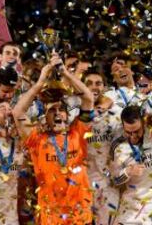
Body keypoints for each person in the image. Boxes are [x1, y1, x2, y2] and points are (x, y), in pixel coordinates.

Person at [13, 53, 94, 224]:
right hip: (50, 217)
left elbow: (88, 98)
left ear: (66, 114)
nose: (57, 113)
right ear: (45, 117)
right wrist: (41, 82)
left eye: (60, 109)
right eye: (51, 110)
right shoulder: (36, 138)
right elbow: (17, 112)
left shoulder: (78, 133)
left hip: (80, 215)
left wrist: (64, 72)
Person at [111, 105, 152, 225]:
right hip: (131, 205)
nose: (133, 136)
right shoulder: (118, 146)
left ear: (144, 123)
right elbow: (114, 180)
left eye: (137, 131)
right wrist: (128, 172)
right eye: (128, 132)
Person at [81, 69, 121, 225]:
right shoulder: (73, 114)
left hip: (108, 186)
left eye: (98, 83)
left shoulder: (116, 114)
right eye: (89, 84)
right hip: (81, 185)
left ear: (104, 87)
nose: (94, 87)